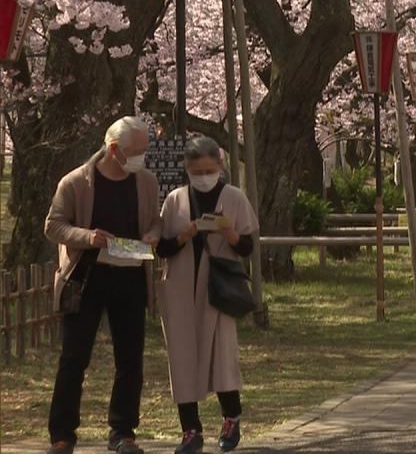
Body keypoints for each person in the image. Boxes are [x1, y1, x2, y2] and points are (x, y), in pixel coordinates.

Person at [45, 116, 161, 454]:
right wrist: (88, 237)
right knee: (74, 358)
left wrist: (153, 233)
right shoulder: (76, 182)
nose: (144, 157)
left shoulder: (147, 182)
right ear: (114, 150)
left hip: (130, 274)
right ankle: (62, 434)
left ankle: (123, 432)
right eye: (138, 151)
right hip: (86, 277)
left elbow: (155, 218)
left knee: (130, 359)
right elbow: (54, 226)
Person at [155, 137, 259, 453]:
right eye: (197, 170)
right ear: (187, 169)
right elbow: (161, 248)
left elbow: (248, 247)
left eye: (209, 169)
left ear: (220, 167)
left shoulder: (234, 197)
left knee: (222, 354)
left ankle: (231, 417)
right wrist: (183, 236)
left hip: (219, 286)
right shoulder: (175, 200)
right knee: (182, 355)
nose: (203, 176)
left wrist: (229, 233)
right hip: (181, 286)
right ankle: (190, 430)